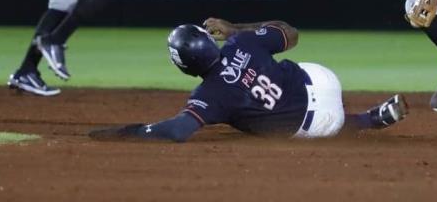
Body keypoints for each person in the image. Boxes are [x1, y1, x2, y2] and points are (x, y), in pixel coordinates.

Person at [87, 18, 408, 142]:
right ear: (209, 41)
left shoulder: (209, 95)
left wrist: (130, 131)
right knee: (282, 82)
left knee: (268, 120)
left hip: (320, 125)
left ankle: (362, 119)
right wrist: (235, 29)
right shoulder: (241, 42)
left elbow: (178, 130)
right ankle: (370, 117)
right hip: (324, 80)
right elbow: (289, 33)